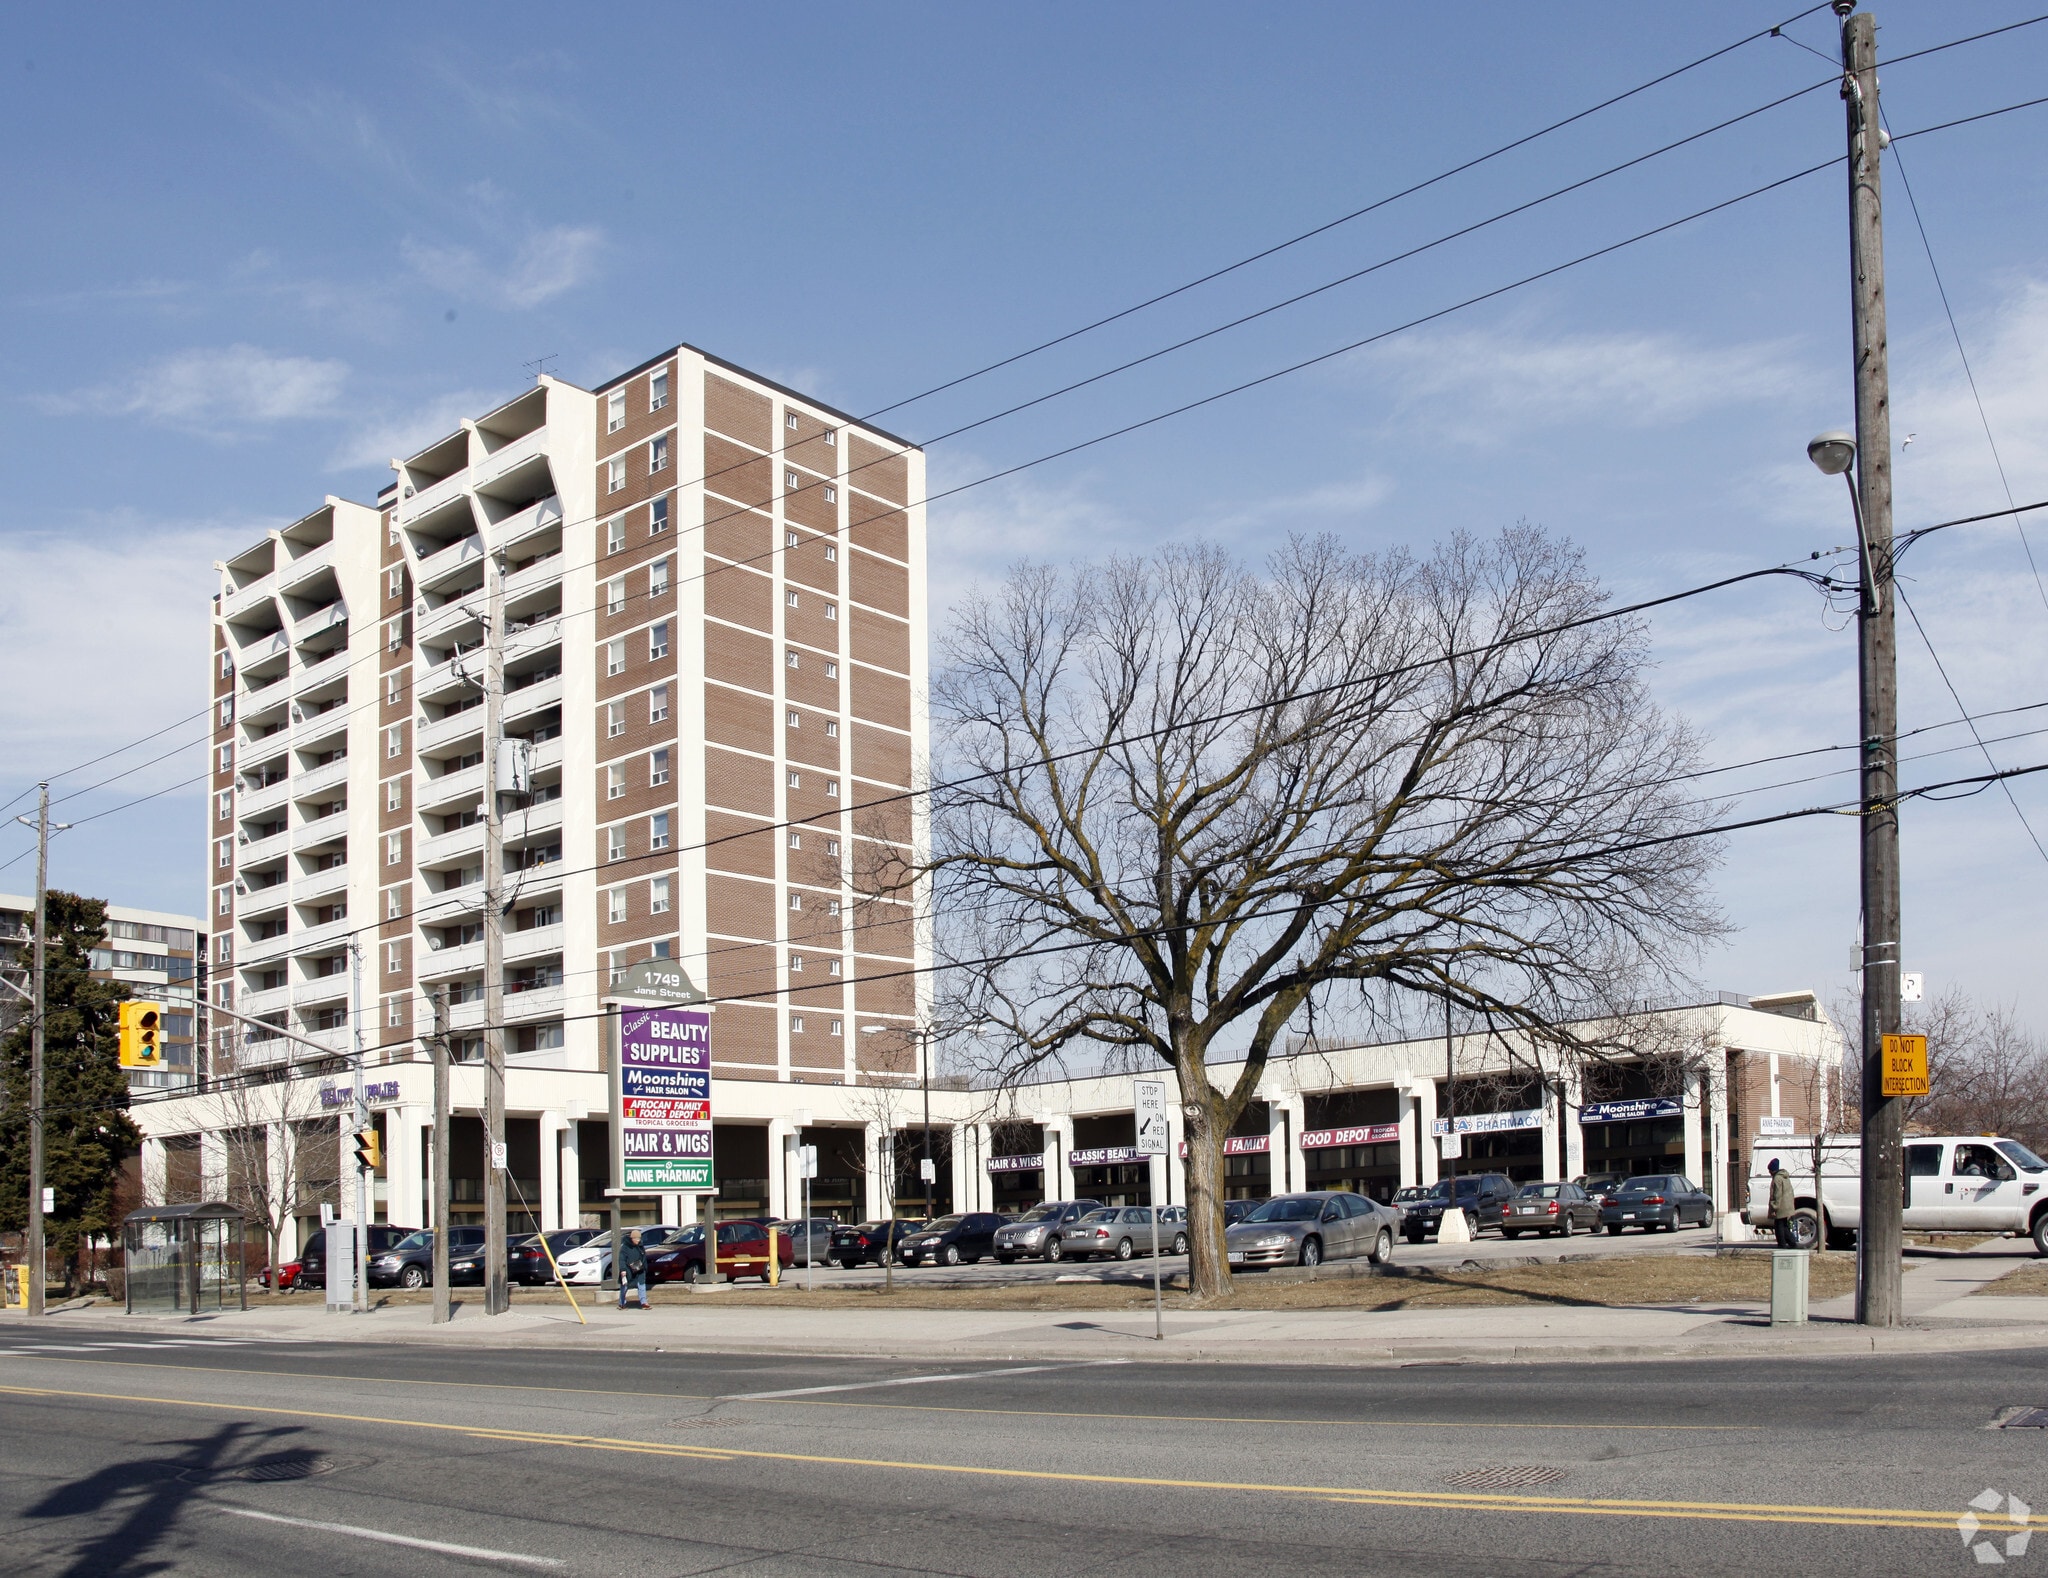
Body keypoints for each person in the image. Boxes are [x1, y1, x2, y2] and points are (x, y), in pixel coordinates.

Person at [1768, 1157, 1799, 1248]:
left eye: (1769, 1170)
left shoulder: (1777, 1178)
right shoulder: (1784, 1177)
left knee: (1779, 1227)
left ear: (1773, 1170)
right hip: (1787, 1206)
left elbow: (1777, 1194)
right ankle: (1792, 1243)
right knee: (1784, 1226)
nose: (1769, 1172)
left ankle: (1782, 1244)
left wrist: (1774, 1206)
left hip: (1780, 1206)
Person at [618, 1229, 649, 1310]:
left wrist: (645, 1267)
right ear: (632, 1238)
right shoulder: (625, 1247)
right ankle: (622, 1303)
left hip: (640, 1268)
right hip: (628, 1269)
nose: (638, 1240)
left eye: (639, 1239)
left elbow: (644, 1257)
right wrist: (623, 1269)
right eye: (636, 1239)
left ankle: (644, 1302)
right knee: (624, 1286)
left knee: (642, 1284)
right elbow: (622, 1259)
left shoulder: (640, 1246)